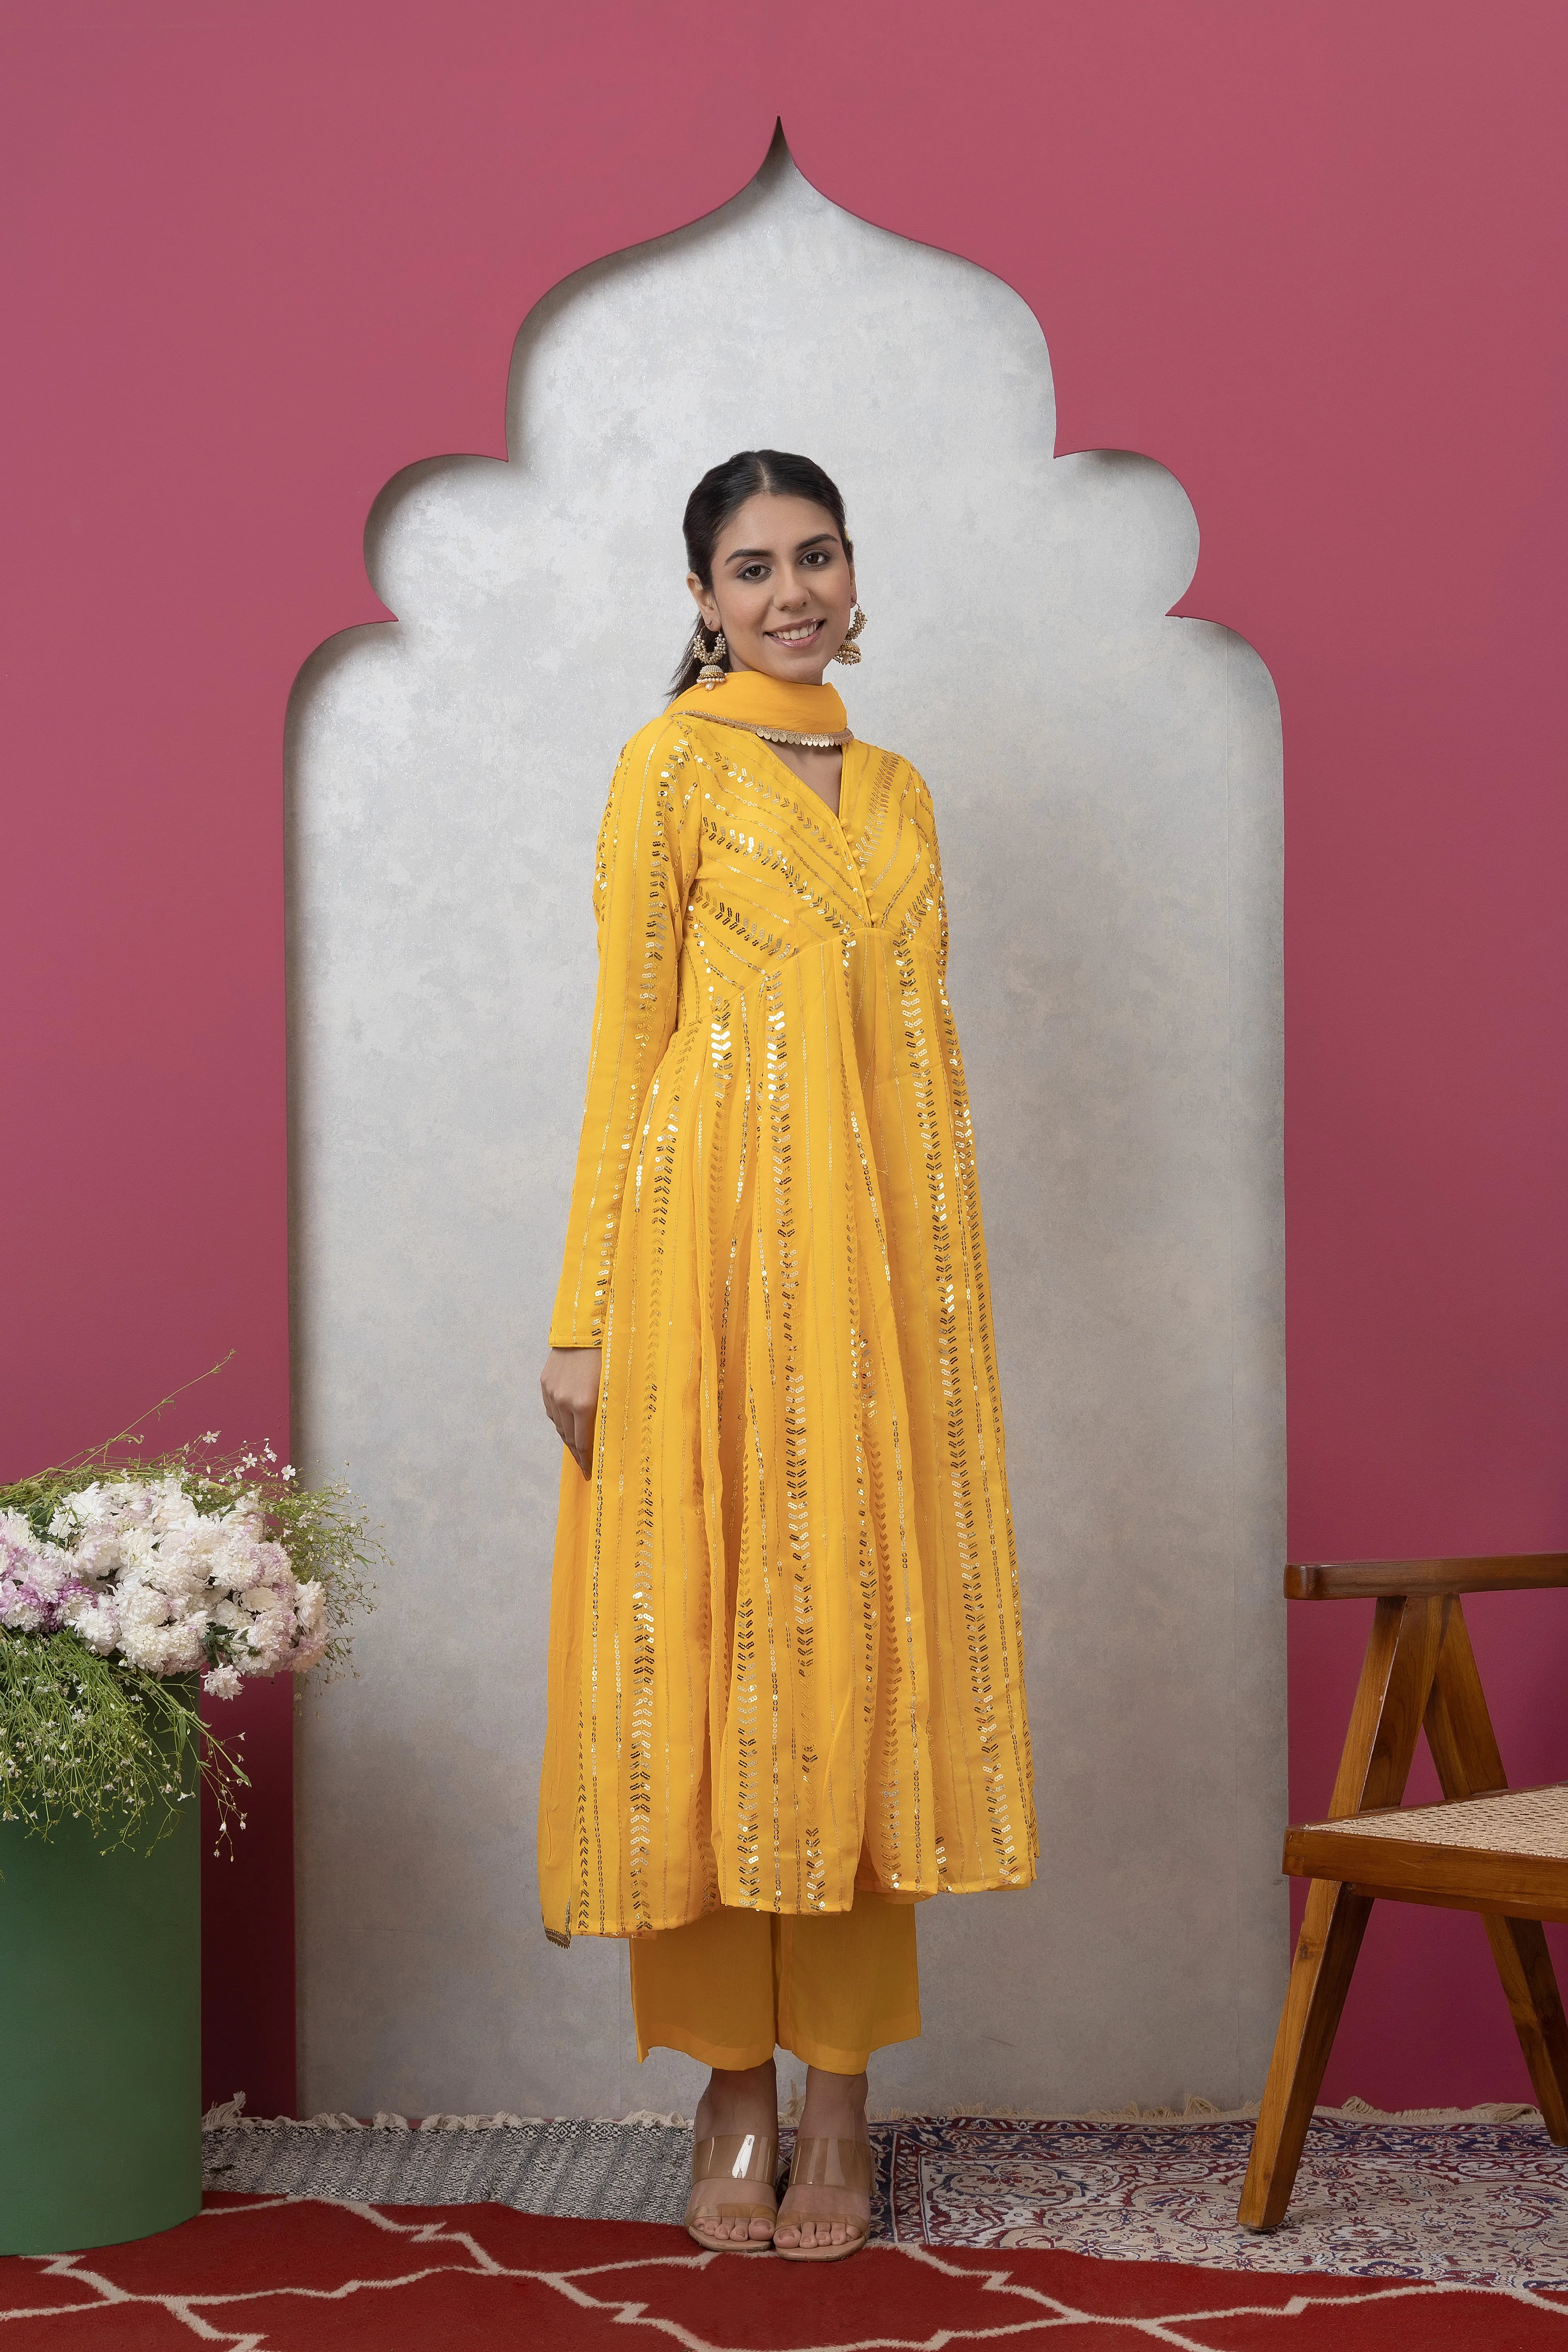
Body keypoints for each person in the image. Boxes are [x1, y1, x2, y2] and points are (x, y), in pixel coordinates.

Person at [539, 450, 1035, 2262]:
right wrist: (584, 1312)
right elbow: (627, 1046)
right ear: (700, 599)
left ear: (851, 568)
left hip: (880, 1293)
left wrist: (930, 1306)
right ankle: (728, 2084)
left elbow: (918, 1064)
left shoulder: (898, 789)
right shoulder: (667, 766)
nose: (790, 592)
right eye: (750, 569)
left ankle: (840, 2092)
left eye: (814, 556)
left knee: (852, 1669)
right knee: (701, 1655)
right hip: (695, 1283)